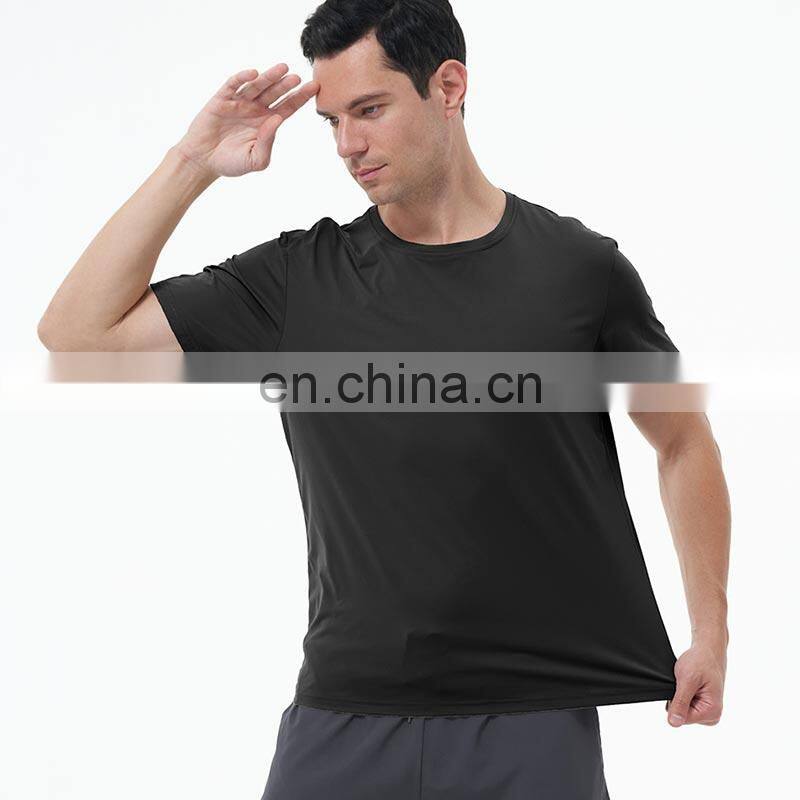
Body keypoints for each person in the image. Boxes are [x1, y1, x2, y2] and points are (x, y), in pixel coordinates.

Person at [37, 1, 731, 797]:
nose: (347, 145)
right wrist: (192, 161)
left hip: (533, 721)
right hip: (345, 718)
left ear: (448, 87)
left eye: (369, 110)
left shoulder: (581, 271)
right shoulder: (298, 279)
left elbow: (682, 440)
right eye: (331, 121)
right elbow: (77, 335)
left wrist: (710, 633)